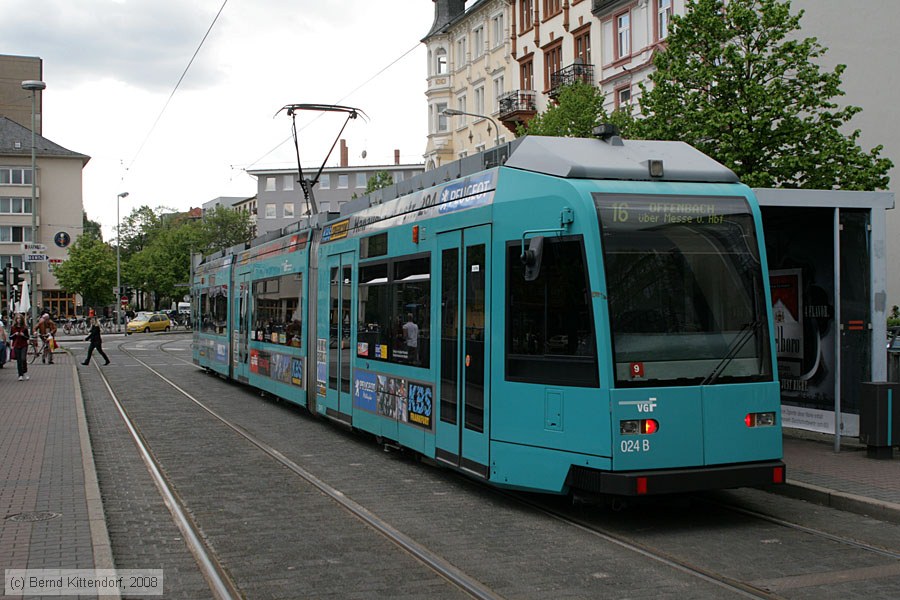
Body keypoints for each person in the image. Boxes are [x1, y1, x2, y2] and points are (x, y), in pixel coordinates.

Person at [9, 314, 30, 381]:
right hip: (16, 345)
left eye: (20, 319)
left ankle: (24, 372)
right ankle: (20, 374)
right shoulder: (13, 328)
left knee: (23, 358)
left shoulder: (24, 328)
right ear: (16, 320)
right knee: (19, 360)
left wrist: (23, 335)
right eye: (17, 319)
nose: (19, 320)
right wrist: (15, 334)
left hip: (23, 345)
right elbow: (10, 337)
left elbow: (27, 337)